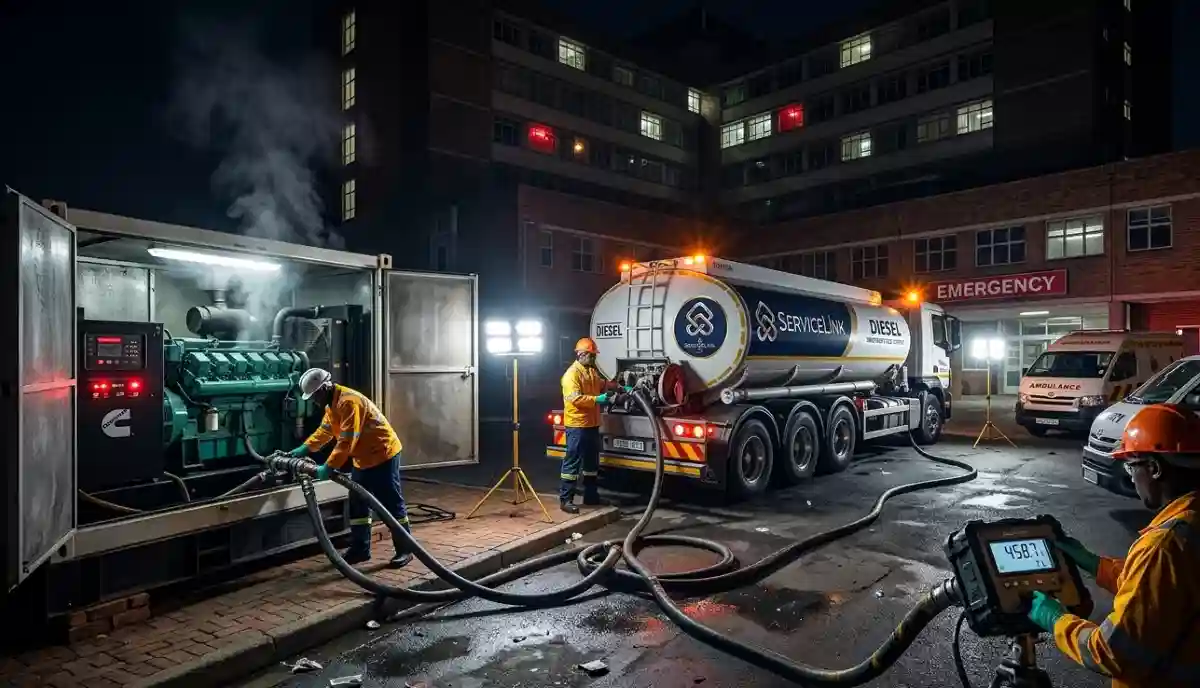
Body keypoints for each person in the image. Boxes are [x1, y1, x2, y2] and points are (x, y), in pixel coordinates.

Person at [1026, 403, 1200, 687]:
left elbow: (1111, 652)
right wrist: (1092, 563)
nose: (1132, 478)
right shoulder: (1190, 524)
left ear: (1154, 468)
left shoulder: (1165, 545)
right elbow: (1162, 590)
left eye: (1132, 467)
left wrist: (1056, 619)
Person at [288, 368, 413, 568]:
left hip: (383, 453)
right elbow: (326, 431)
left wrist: (327, 467)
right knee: (358, 502)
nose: (314, 401)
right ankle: (360, 549)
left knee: (390, 501)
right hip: (363, 458)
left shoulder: (348, 402)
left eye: (315, 396)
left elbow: (346, 442)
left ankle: (406, 549)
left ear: (325, 388)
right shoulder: (332, 404)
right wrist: (305, 448)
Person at [558, 337, 629, 514]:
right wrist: (598, 399)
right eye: (591, 356)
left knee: (591, 464)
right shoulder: (571, 375)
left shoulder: (590, 371)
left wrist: (620, 388)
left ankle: (591, 496)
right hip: (577, 425)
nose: (594, 359)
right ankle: (566, 499)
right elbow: (575, 399)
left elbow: (602, 384)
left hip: (591, 424)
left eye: (594, 356)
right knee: (572, 463)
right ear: (581, 355)